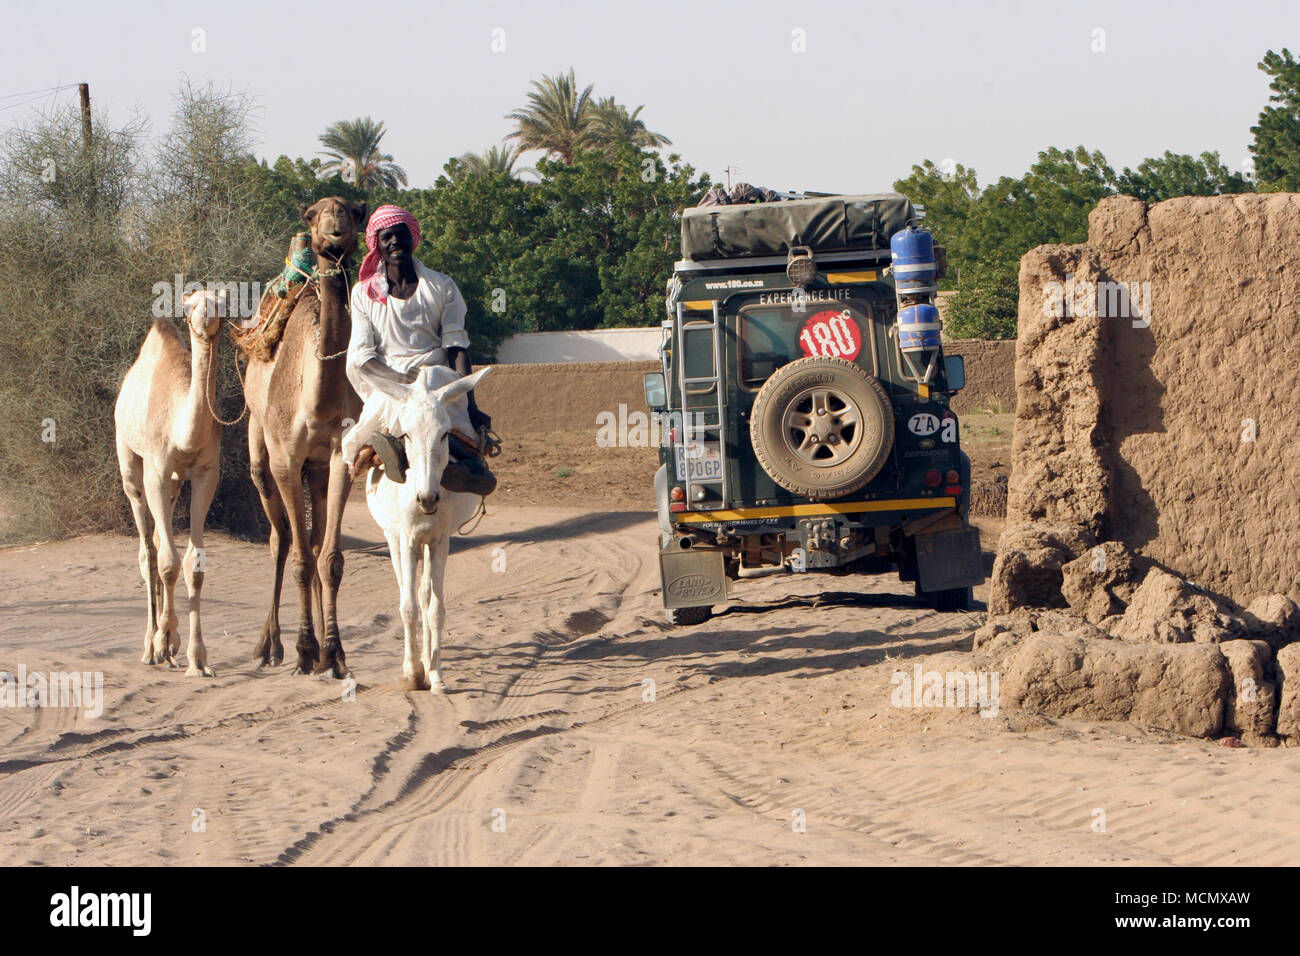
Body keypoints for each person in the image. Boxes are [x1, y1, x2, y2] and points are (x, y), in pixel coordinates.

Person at [345, 204, 495, 494]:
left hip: (435, 374)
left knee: (446, 410)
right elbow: (362, 357)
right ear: (377, 245)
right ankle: (389, 452)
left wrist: (472, 404)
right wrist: (402, 381)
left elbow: (456, 346)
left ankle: (467, 468)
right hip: (391, 379)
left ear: (412, 239)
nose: (395, 242)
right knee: (381, 413)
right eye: (387, 237)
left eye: (401, 235)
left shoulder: (442, 286)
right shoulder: (363, 293)